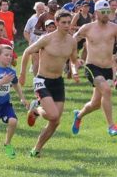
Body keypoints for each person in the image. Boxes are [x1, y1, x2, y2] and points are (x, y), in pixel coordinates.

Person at [20, 11, 78, 157]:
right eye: (63, 22)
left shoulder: (72, 41)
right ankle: (36, 110)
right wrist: (22, 74)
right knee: (52, 115)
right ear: (57, 23)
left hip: (58, 81)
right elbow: (27, 51)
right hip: (42, 80)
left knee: (56, 121)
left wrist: (75, 70)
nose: (66, 25)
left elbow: (73, 60)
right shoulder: (47, 39)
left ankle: (37, 149)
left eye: (68, 22)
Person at [71, 0, 117, 136]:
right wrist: (75, 60)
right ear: (96, 13)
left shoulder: (114, 28)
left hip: (107, 68)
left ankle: (79, 115)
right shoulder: (87, 28)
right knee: (107, 91)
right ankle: (111, 126)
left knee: (95, 104)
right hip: (92, 66)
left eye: (108, 12)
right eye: (104, 12)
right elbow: (72, 42)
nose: (107, 15)